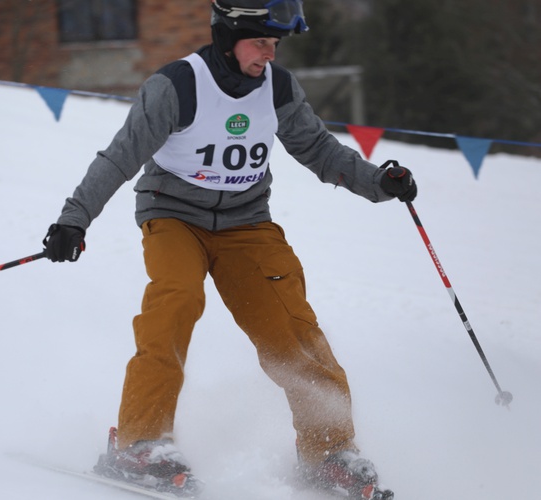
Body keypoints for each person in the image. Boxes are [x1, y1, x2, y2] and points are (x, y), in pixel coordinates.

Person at [43, 1, 414, 498]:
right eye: (260, 41)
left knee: (291, 326)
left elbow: (319, 150)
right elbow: (120, 156)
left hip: (246, 223)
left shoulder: (277, 88)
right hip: (173, 215)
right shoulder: (177, 86)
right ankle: (140, 443)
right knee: (175, 299)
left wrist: (378, 181)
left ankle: (329, 451)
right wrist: (74, 219)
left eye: (274, 44)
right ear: (227, 36)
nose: (269, 53)